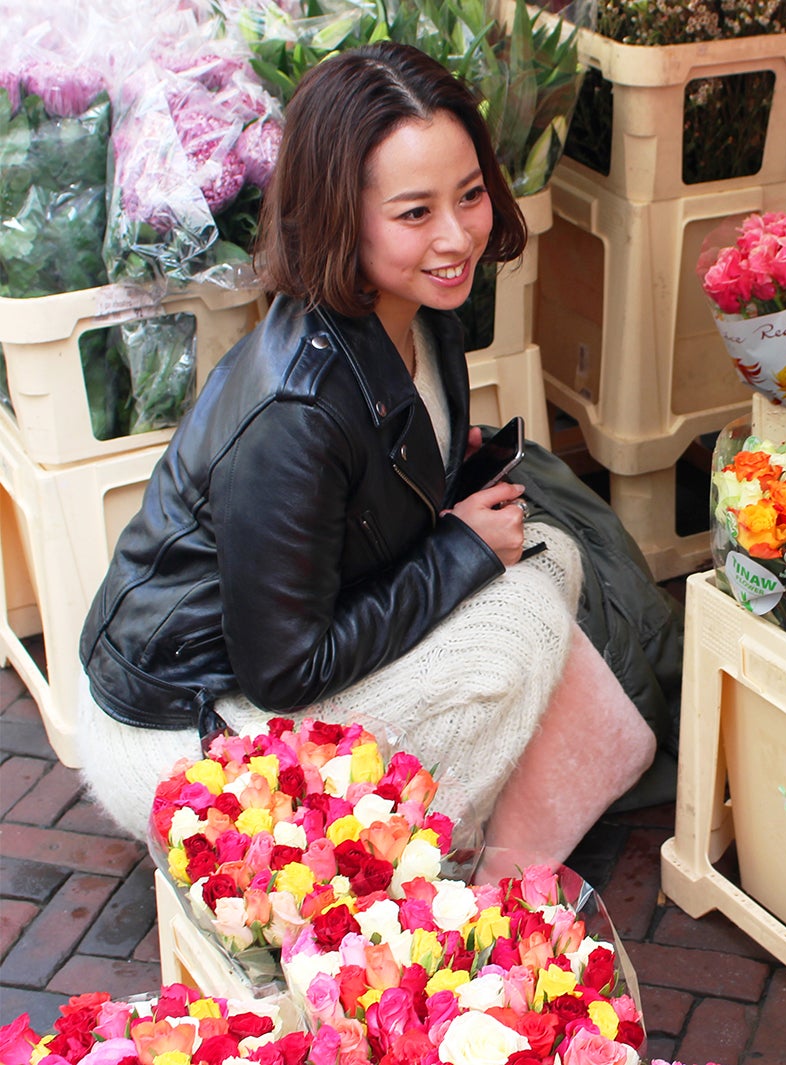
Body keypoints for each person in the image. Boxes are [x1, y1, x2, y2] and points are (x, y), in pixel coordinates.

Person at [76, 42, 658, 870]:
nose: (457, 235)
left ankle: (493, 853)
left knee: (546, 554)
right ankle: (393, 882)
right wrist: (457, 551)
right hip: (187, 728)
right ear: (338, 215)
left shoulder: (419, 310)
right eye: (415, 213)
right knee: (520, 618)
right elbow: (284, 669)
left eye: (470, 195)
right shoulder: (296, 408)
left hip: (255, 677)